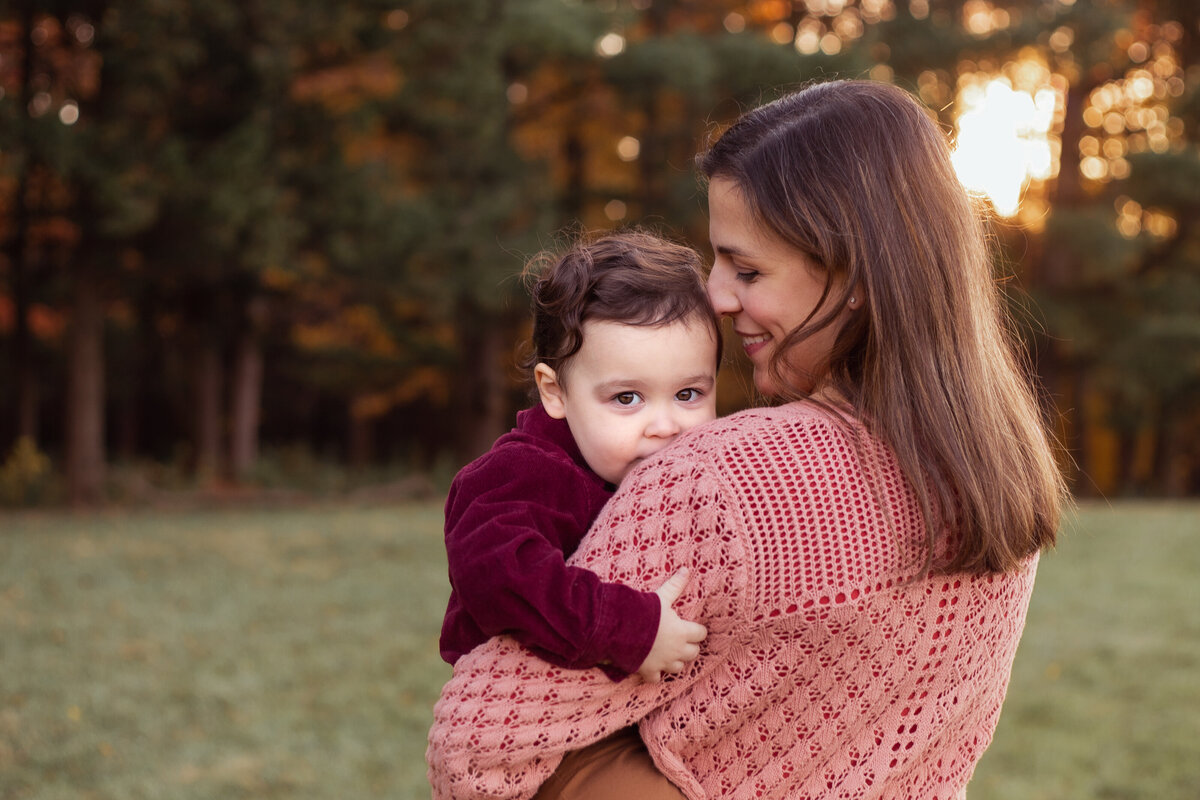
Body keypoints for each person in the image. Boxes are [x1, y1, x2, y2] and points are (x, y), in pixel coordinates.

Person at [427, 79, 1068, 800]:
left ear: (855, 275)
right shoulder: (1001, 473)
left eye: (748, 269)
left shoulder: (721, 479)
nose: (717, 296)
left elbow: (478, 741)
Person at [439, 230, 720, 696]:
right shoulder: (522, 473)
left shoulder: (682, 473)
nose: (666, 425)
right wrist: (632, 629)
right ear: (555, 392)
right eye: (627, 397)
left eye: (688, 394)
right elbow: (499, 577)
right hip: (520, 715)